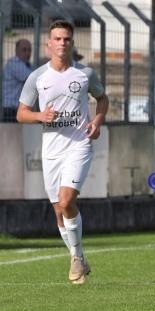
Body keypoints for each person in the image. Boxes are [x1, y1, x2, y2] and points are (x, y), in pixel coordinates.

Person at [17, 20, 109, 285]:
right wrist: (40, 115)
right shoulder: (38, 77)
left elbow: (102, 98)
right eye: (57, 39)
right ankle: (78, 256)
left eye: (66, 39)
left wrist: (97, 121)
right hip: (51, 148)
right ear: (48, 44)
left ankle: (76, 258)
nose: (62, 43)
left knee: (67, 201)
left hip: (79, 144)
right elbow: (21, 113)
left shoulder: (85, 74)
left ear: (72, 42)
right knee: (59, 210)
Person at [3, 39, 33, 122]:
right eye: (24, 50)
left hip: (16, 109)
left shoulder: (27, 65)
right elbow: (32, 80)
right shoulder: (14, 63)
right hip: (9, 110)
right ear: (16, 51)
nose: (27, 53)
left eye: (29, 50)